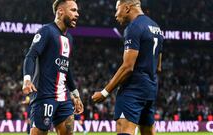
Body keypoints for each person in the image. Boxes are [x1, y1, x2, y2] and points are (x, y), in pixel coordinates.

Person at [92, 0, 163, 135]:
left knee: (124, 131)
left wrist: (104, 92)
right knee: (148, 132)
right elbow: (158, 67)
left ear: (127, 8)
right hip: (150, 90)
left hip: (133, 90)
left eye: (117, 9)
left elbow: (128, 67)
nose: (115, 14)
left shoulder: (133, 28)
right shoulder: (157, 28)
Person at [22, 0, 84, 135]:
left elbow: (65, 68)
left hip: (64, 99)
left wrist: (75, 94)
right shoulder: (46, 31)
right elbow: (30, 56)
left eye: (77, 11)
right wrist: (27, 79)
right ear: (60, 11)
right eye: (73, 10)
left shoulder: (69, 38)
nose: (77, 14)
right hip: (44, 96)